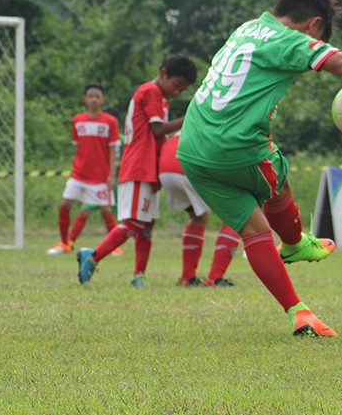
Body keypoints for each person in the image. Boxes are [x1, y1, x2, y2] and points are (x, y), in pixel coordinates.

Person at [177, 0, 342, 337]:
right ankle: (294, 243)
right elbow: (338, 62)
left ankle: (299, 312)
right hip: (234, 143)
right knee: (278, 178)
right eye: (318, 38)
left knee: (254, 230)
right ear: (314, 25)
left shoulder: (247, 28)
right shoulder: (289, 40)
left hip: (191, 148)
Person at [76, 55, 198, 287]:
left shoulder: (161, 98)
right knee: (134, 223)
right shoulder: (150, 91)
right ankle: (92, 256)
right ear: (163, 73)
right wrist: (190, 117)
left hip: (150, 168)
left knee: (147, 226)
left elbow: (159, 137)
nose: (177, 92)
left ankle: (138, 275)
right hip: (138, 166)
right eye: (176, 85)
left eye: (183, 89)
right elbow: (158, 129)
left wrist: (160, 169)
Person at [48, 84, 121, 255]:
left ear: (102, 100)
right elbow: (79, 148)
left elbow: (112, 149)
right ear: (85, 99)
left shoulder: (110, 122)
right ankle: (64, 243)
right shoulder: (77, 120)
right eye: (90, 96)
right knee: (65, 204)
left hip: (100, 176)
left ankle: (115, 246)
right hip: (79, 174)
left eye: (97, 96)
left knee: (105, 210)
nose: (94, 100)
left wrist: (111, 174)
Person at [160, 133, 241, 287]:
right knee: (235, 215)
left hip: (166, 167)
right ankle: (215, 279)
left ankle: (187, 278)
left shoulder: (197, 111)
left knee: (199, 217)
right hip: (187, 163)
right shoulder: (225, 113)